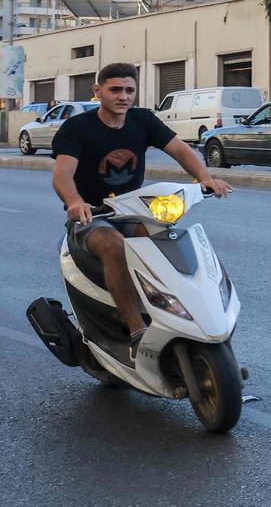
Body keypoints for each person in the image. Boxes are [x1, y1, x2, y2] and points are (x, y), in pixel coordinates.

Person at [51, 63, 232, 361]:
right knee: (113, 246)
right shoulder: (77, 128)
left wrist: (205, 178)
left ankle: (182, 315)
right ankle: (136, 331)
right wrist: (74, 202)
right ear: (98, 91)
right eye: (115, 90)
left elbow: (181, 150)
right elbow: (62, 174)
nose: (123, 97)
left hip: (134, 211)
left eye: (129, 90)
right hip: (92, 217)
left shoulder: (142, 120)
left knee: (167, 241)